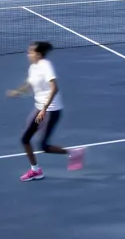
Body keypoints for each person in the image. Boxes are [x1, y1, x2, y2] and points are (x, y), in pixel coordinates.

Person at [7, 40, 82, 180]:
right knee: (25, 139)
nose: (28, 54)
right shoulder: (33, 67)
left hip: (51, 110)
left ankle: (73, 152)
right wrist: (17, 91)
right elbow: (29, 84)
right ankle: (35, 170)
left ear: (38, 54)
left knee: (43, 146)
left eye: (31, 52)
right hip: (40, 108)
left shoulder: (46, 66)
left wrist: (44, 109)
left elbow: (54, 88)